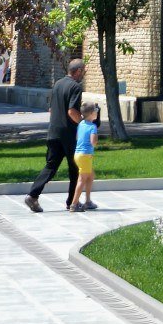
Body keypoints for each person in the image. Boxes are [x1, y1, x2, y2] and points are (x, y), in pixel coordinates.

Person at [25, 58, 84, 213]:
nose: (83, 74)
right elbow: (72, 111)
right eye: (83, 71)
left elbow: (51, 110)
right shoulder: (76, 87)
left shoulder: (58, 84)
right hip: (69, 134)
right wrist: (84, 123)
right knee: (75, 168)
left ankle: (32, 195)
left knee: (51, 166)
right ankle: (72, 202)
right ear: (78, 71)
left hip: (53, 132)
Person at [70, 97, 100, 212]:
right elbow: (93, 142)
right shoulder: (93, 127)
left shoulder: (81, 123)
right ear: (92, 114)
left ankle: (88, 201)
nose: (97, 113)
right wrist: (96, 139)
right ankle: (74, 204)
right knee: (82, 180)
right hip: (86, 156)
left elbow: (78, 137)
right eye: (96, 111)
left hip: (77, 154)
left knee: (91, 176)